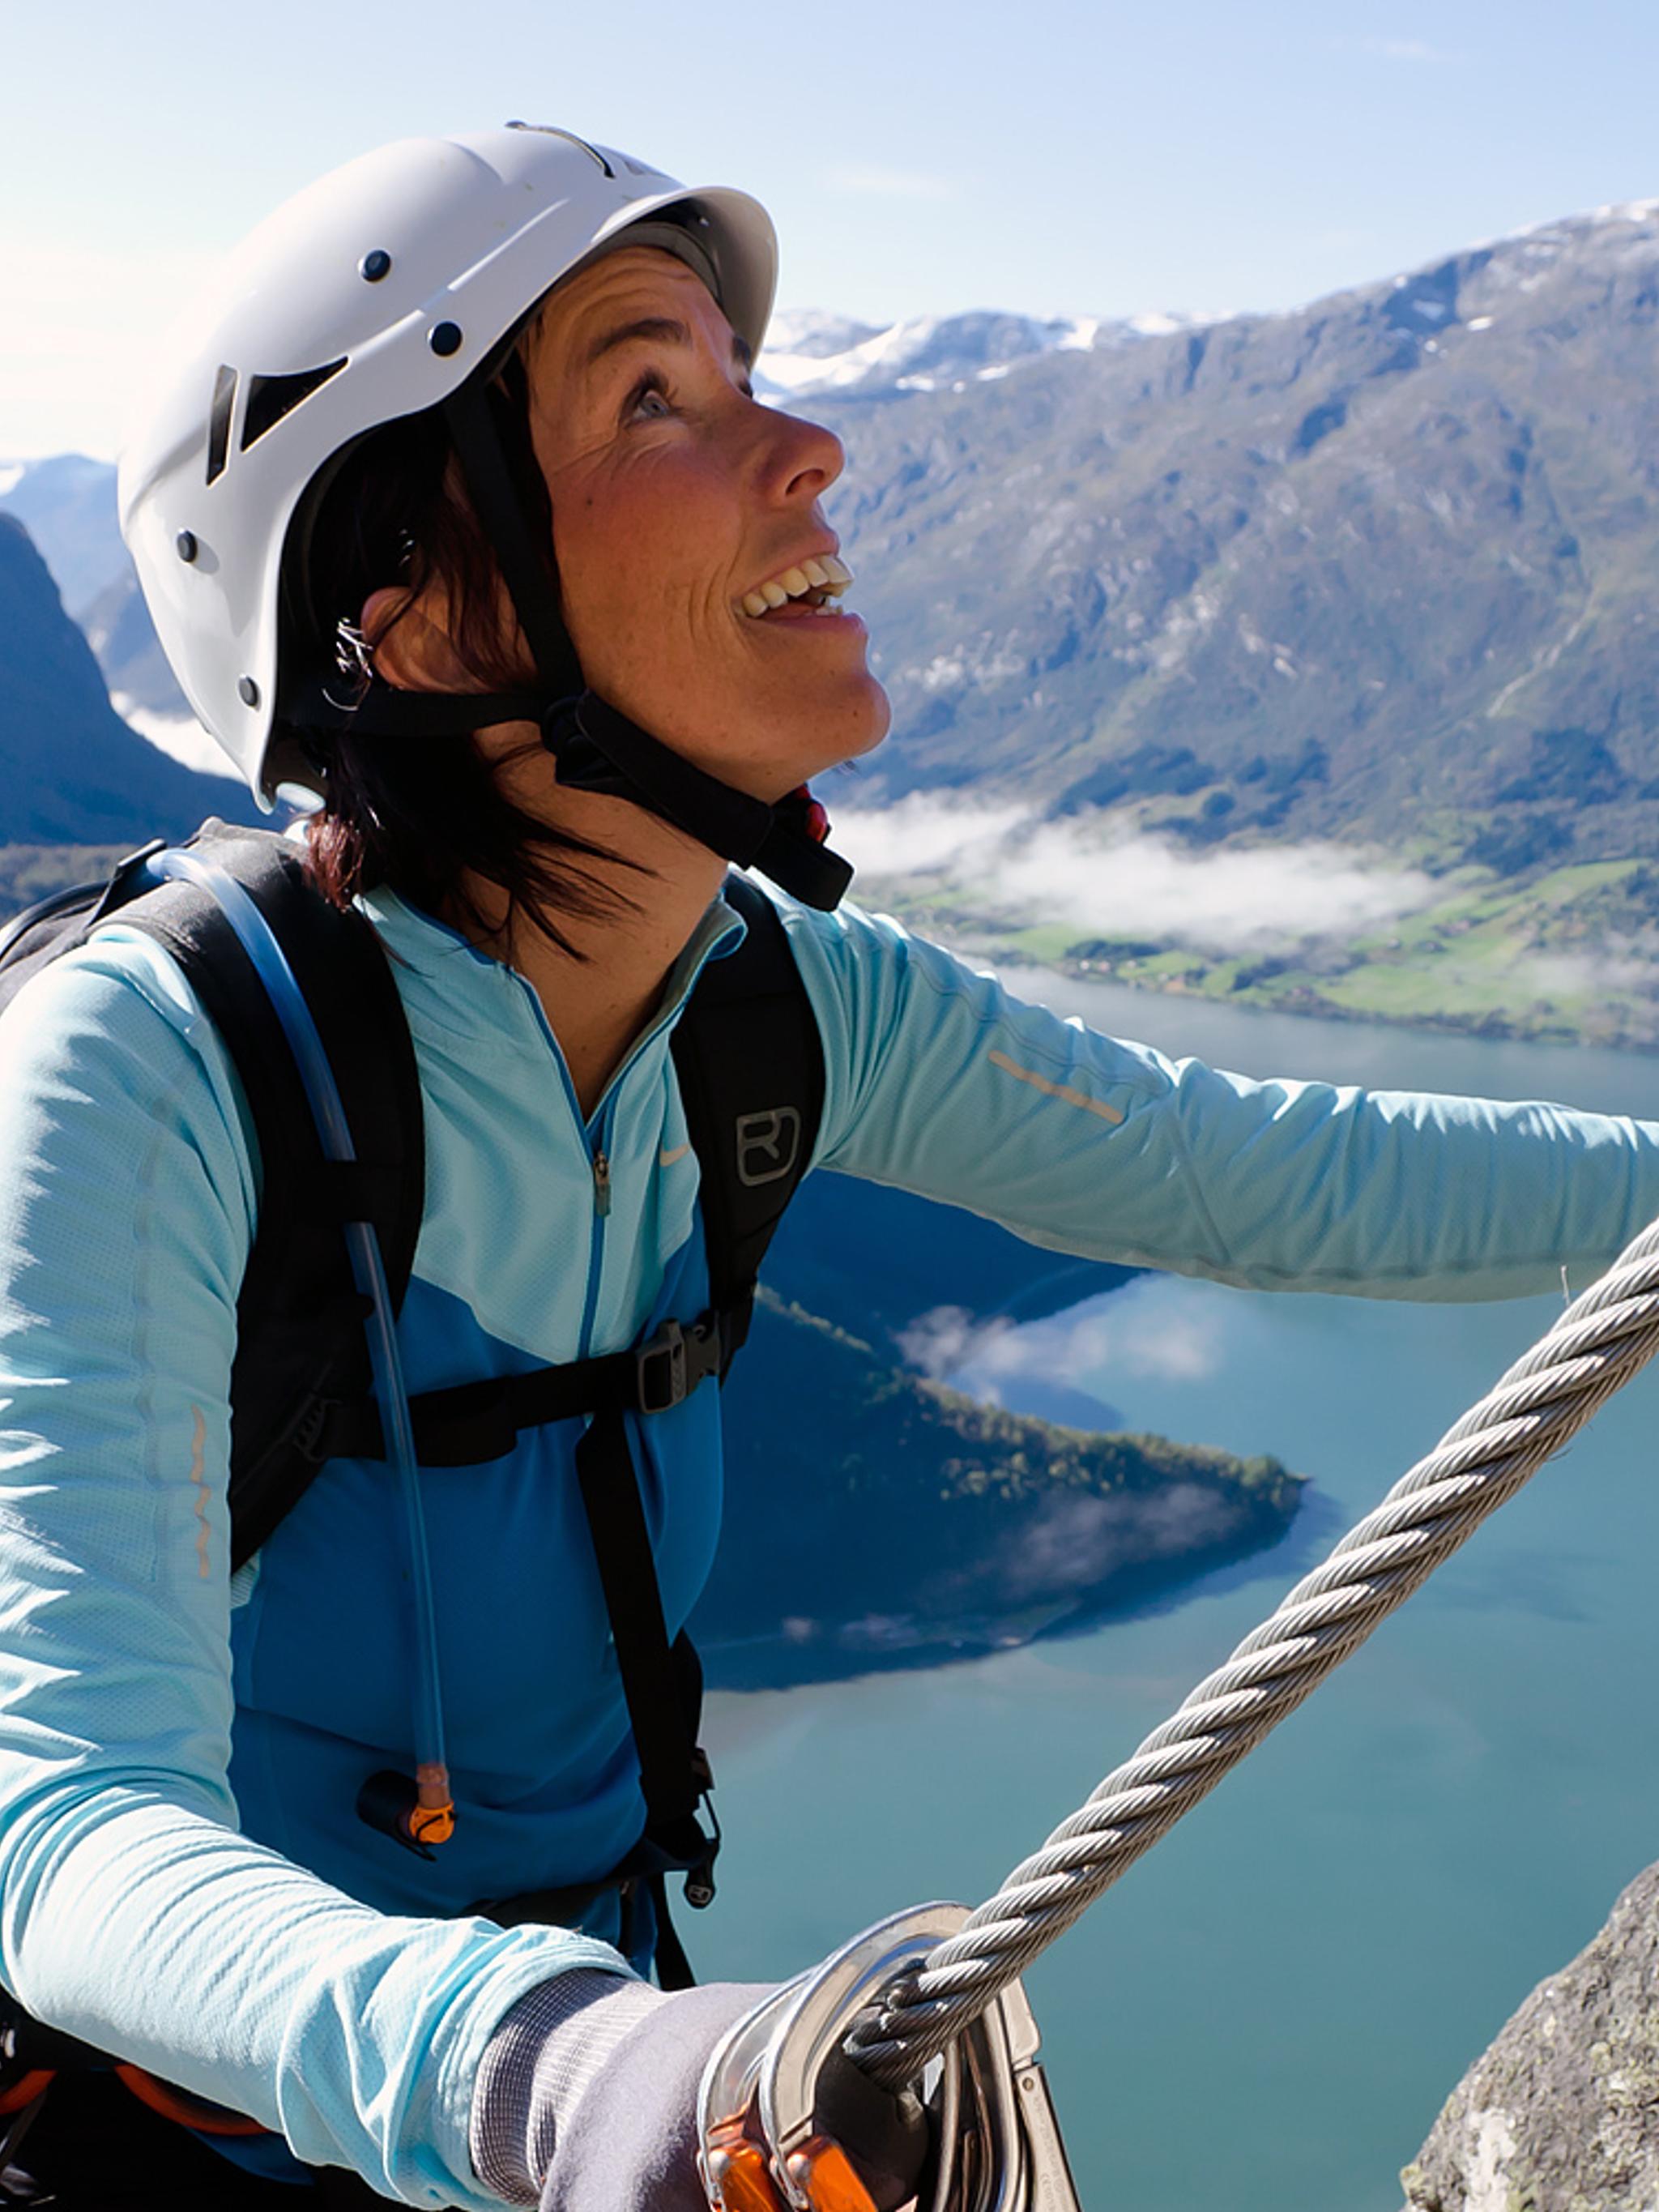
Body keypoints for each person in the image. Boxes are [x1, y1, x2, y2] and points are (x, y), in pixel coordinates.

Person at [0, 122, 1656, 2212]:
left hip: (591, 2102)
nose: (813, 448)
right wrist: (565, 2081)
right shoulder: (159, 1075)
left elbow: (1275, 1170)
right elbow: (69, 1848)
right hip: (224, 2156)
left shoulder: (768, 1001)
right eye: (653, 392)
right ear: (414, 621)